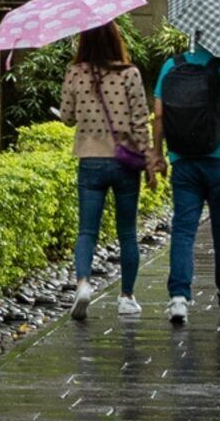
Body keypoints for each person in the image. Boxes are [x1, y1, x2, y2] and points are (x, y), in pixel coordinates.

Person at [153, 40, 220, 326]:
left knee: (184, 230)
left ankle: (178, 298)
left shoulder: (171, 66)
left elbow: (159, 115)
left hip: (183, 161)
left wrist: (157, 153)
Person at [59, 22, 152, 318]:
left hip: (90, 159)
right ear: (115, 41)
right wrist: (150, 159)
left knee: (87, 229)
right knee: (127, 231)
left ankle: (84, 283)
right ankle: (127, 297)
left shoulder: (75, 73)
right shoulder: (130, 73)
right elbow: (141, 122)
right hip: (125, 162)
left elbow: (67, 117)